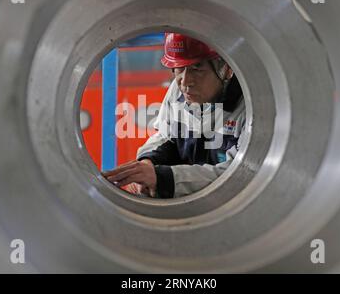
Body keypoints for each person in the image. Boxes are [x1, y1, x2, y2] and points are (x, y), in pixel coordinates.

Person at [102, 33, 245, 198]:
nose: (185, 82)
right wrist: (148, 162)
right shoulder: (178, 91)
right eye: (179, 68)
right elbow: (165, 136)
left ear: (226, 69)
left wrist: (163, 178)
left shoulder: (250, 107)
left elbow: (238, 175)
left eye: (197, 68)